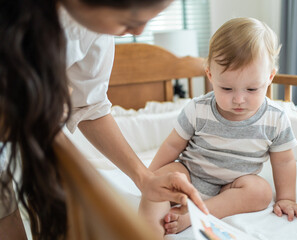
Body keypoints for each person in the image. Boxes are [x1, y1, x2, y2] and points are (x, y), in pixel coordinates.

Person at [0, 0, 208, 239]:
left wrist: (144, 177)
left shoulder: (96, 32)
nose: (140, 32)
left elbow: (90, 105)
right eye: (131, 21)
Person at [138, 17, 297, 238]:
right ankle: (146, 232)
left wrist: (287, 197)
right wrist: (150, 177)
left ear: (269, 78)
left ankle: (195, 215)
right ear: (210, 75)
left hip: (231, 188)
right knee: (164, 178)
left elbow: (284, 160)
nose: (239, 99)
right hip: (190, 176)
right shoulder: (198, 109)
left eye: (251, 89)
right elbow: (173, 145)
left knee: (261, 191)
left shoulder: (275, 119)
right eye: (227, 88)